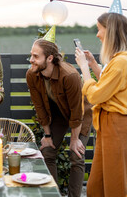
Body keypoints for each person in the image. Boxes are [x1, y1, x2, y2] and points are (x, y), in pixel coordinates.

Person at [75, 9, 127, 195]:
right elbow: (110, 87)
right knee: (96, 188)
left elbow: (95, 96)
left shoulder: (121, 63)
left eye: (99, 29)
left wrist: (84, 69)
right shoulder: (122, 59)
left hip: (118, 129)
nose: (97, 34)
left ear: (110, 31)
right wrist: (95, 65)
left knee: (115, 190)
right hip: (110, 127)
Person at [26, 32, 92, 197]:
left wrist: (75, 139)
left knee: (76, 155)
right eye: (31, 55)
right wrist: (47, 134)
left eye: (35, 56)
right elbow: (39, 107)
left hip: (81, 114)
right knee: (47, 151)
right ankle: (52, 194)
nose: (31, 60)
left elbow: (77, 112)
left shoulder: (70, 76)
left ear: (49, 58)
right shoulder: (32, 74)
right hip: (58, 115)